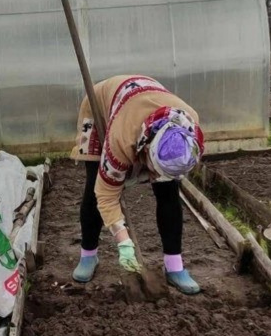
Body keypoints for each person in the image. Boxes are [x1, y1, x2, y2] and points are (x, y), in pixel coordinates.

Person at [70, 75, 205, 295]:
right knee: (94, 186)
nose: (152, 175)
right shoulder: (121, 139)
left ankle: (174, 266)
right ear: (147, 150)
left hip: (144, 104)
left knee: (168, 192)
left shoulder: (189, 127)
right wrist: (124, 242)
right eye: (153, 169)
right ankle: (88, 255)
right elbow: (106, 195)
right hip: (101, 107)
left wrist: (163, 172)